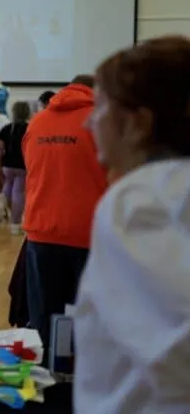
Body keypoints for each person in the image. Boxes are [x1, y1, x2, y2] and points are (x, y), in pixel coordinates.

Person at [74, 36, 190, 412]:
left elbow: (177, 349)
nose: (88, 121)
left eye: (100, 106)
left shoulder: (140, 201)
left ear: (138, 123)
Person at [22, 75, 107, 344]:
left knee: (46, 319)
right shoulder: (101, 122)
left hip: (41, 231)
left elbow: (31, 169)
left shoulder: (37, 122)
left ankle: (49, 377)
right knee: (89, 320)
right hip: (88, 234)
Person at [0, 101, 31, 235]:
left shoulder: (6, 129)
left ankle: (0, 204)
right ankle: (15, 225)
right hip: (23, 166)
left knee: (7, 186)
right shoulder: (30, 128)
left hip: (7, 165)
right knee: (18, 193)